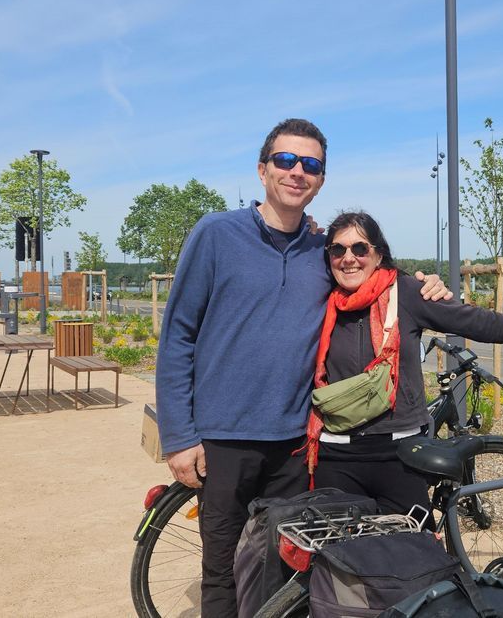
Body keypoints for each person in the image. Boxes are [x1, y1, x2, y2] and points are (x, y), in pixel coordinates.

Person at [155, 119, 450, 616]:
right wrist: (179, 437)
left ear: (321, 179)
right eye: (286, 160)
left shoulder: (323, 250)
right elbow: (178, 336)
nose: (297, 171)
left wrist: (428, 285)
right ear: (262, 169)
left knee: (288, 572)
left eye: (310, 164)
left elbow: (377, 278)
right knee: (222, 570)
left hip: (296, 444)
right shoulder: (216, 234)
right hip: (224, 439)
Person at [305, 211, 503, 517]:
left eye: (360, 248)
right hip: (336, 454)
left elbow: (478, 322)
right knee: (335, 545)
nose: (348, 258)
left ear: (378, 254)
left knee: (412, 544)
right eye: (338, 249)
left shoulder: (407, 292)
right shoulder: (317, 296)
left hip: (400, 454)